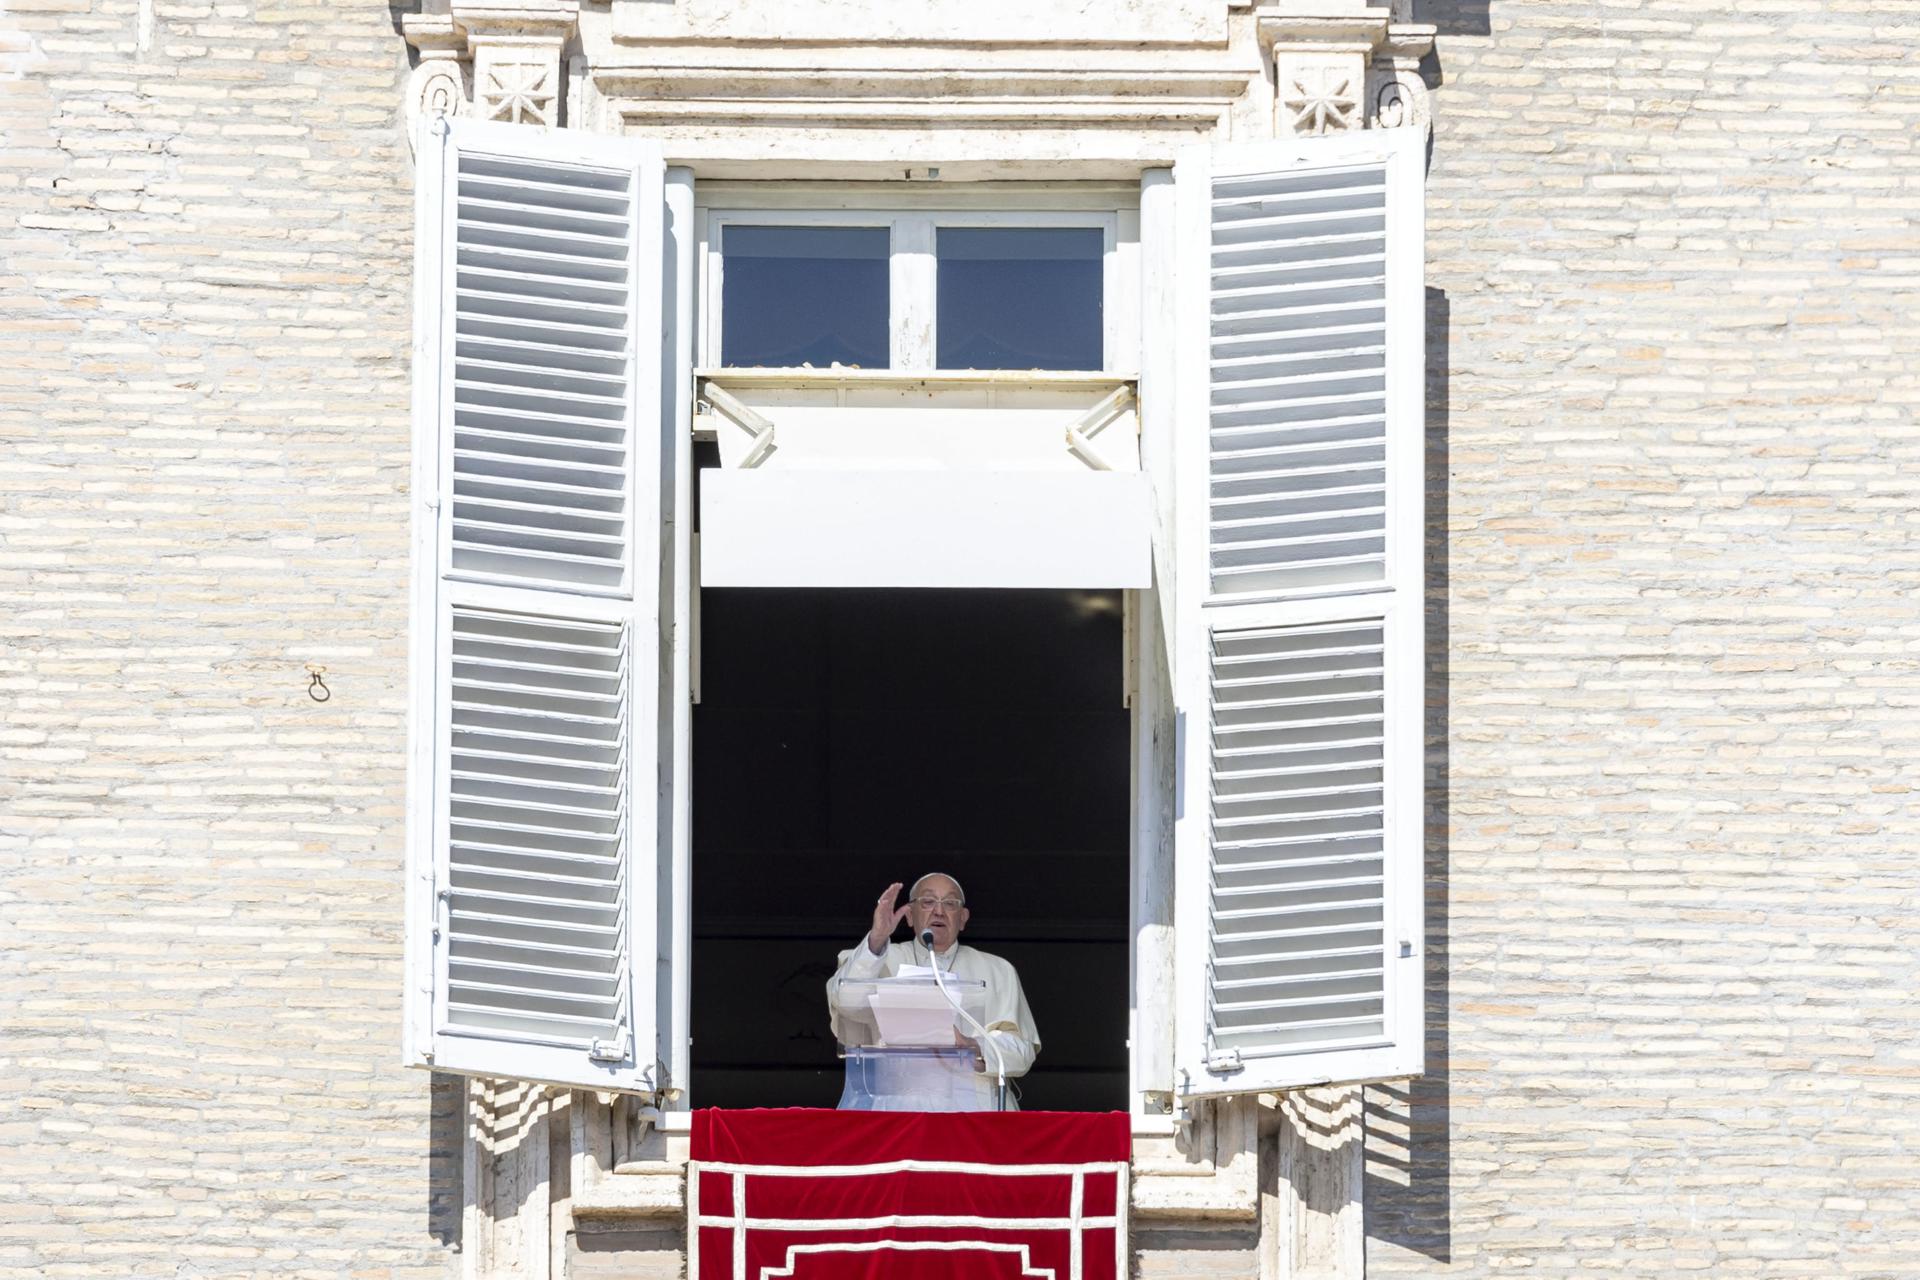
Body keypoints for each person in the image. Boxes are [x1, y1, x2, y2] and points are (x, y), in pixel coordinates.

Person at [826, 873, 1040, 1110]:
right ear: (909, 915)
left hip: (974, 1113)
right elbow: (845, 1000)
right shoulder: (881, 957)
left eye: (950, 903)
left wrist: (973, 1046)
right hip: (899, 1111)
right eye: (928, 902)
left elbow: (1023, 1053)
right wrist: (877, 937)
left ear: (963, 918)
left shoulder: (998, 970)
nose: (939, 911)